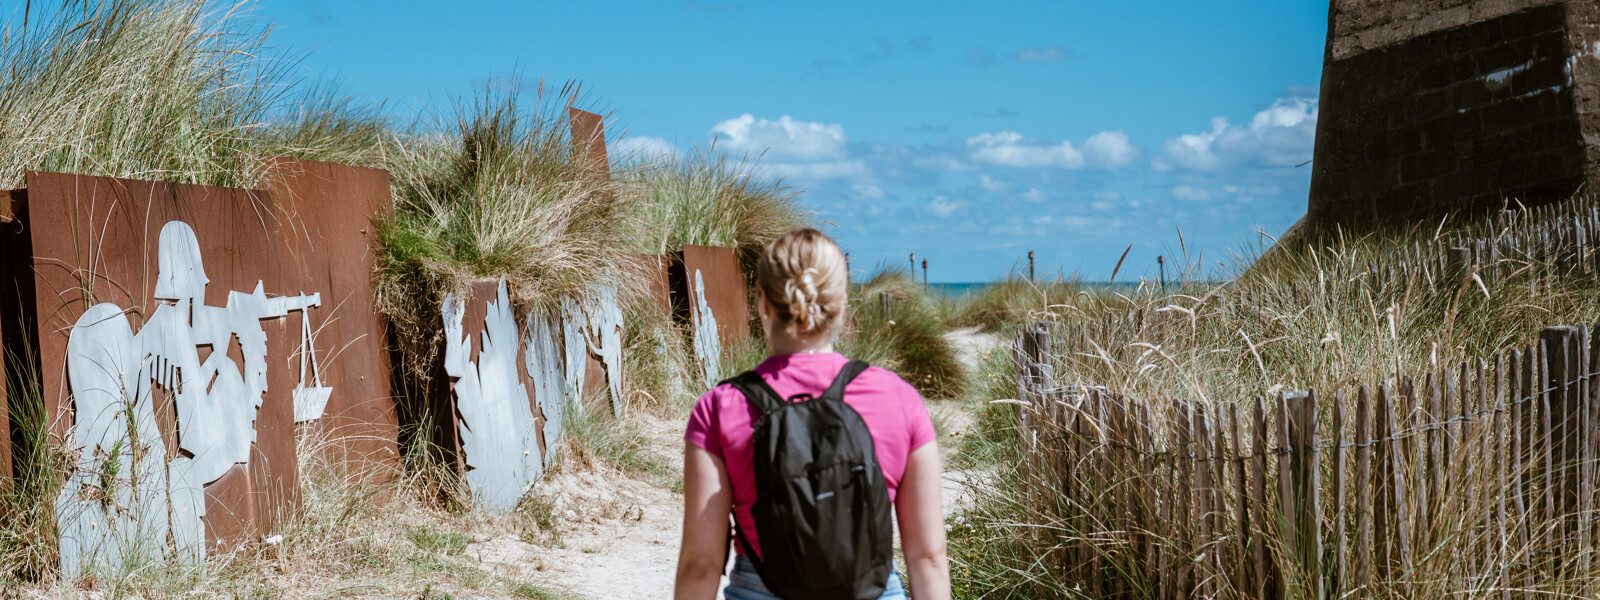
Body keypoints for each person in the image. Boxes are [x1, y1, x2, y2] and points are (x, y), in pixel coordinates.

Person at [674, 228, 952, 600]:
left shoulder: (720, 407)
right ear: (842, 302)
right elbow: (928, 558)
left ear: (762, 302)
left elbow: (701, 565)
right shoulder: (899, 398)